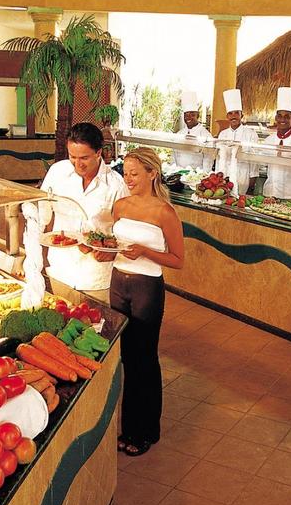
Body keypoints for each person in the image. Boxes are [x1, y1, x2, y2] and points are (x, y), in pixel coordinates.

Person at [110, 147, 184, 457]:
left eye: (134, 174)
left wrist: (145, 251)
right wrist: (101, 251)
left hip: (146, 288)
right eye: (125, 173)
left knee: (143, 360)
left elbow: (178, 260)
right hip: (118, 282)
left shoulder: (164, 212)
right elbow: (116, 246)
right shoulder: (120, 206)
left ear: (152, 174)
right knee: (124, 358)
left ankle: (145, 430)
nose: (128, 179)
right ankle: (129, 428)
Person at [38, 123, 128, 292]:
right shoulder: (57, 172)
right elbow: (42, 214)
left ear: (99, 153)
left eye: (84, 158)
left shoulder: (117, 185)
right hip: (60, 268)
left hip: (95, 275)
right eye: (73, 156)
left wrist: (113, 251)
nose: (77, 164)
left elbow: (127, 231)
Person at [215, 89, 259, 194]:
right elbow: (219, 159)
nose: (233, 116)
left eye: (236, 113)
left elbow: (254, 161)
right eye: (230, 113)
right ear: (227, 116)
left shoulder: (251, 134)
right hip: (224, 179)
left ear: (241, 115)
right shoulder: (222, 134)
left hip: (242, 179)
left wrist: (252, 184)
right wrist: (217, 178)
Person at [174, 90, 213, 171]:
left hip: (196, 176)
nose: (189, 117)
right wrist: (174, 171)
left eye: (192, 114)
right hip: (179, 174)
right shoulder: (179, 134)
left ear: (197, 115)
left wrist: (203, 176)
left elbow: (208, 159)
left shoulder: (205, 135)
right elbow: (173, 155)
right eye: (186, 114)